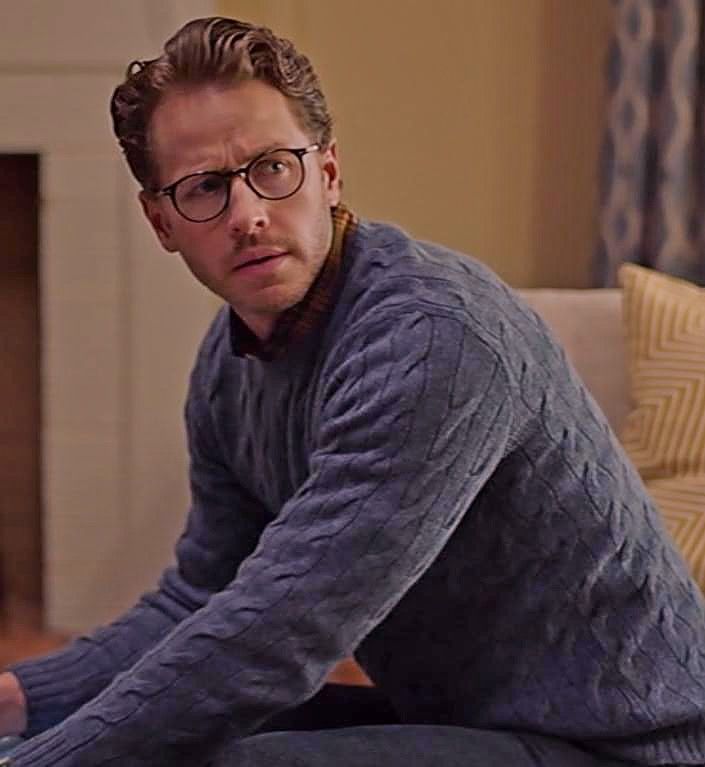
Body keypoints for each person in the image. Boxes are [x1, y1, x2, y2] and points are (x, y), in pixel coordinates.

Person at [1, 15, 705, 767]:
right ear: (160, 220)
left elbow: (282, 633)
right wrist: (17, 697)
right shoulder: (227, 364)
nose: (248, 216)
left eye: (273, 167)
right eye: (204, 188)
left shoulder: (434, 336)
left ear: (328, 171)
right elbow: (198, 599)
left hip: (620, 742)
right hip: (466, 717)